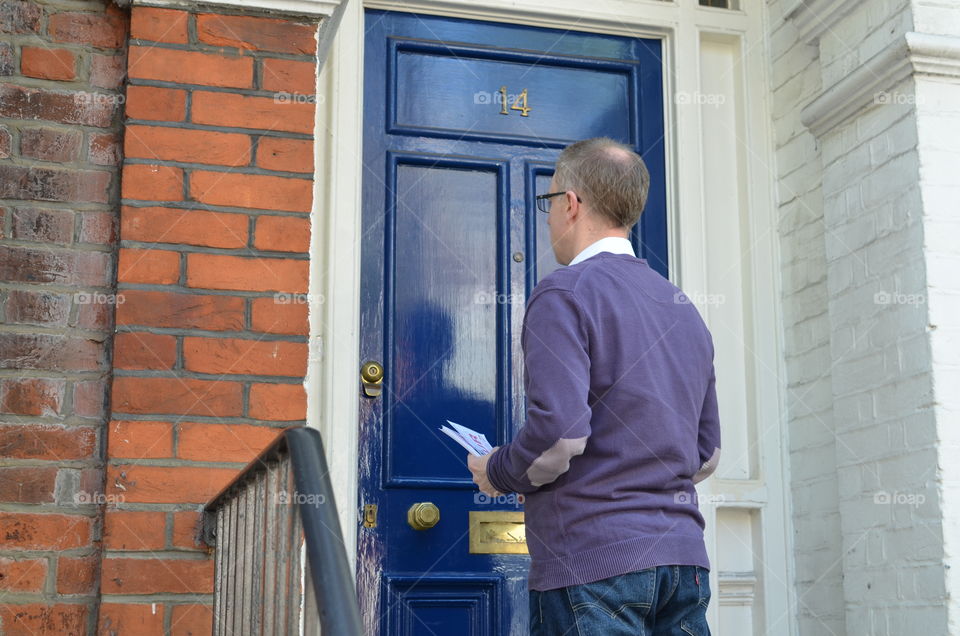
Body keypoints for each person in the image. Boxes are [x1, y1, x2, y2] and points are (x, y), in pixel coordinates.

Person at [468, 137, 721, 635]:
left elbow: (560, 436)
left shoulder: (564, 293)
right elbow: (707, 454)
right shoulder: (682, 307)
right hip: (683, 562)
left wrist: (499, 471)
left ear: (571, 204)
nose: (548, 218)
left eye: (549, 202)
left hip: (593, 563)